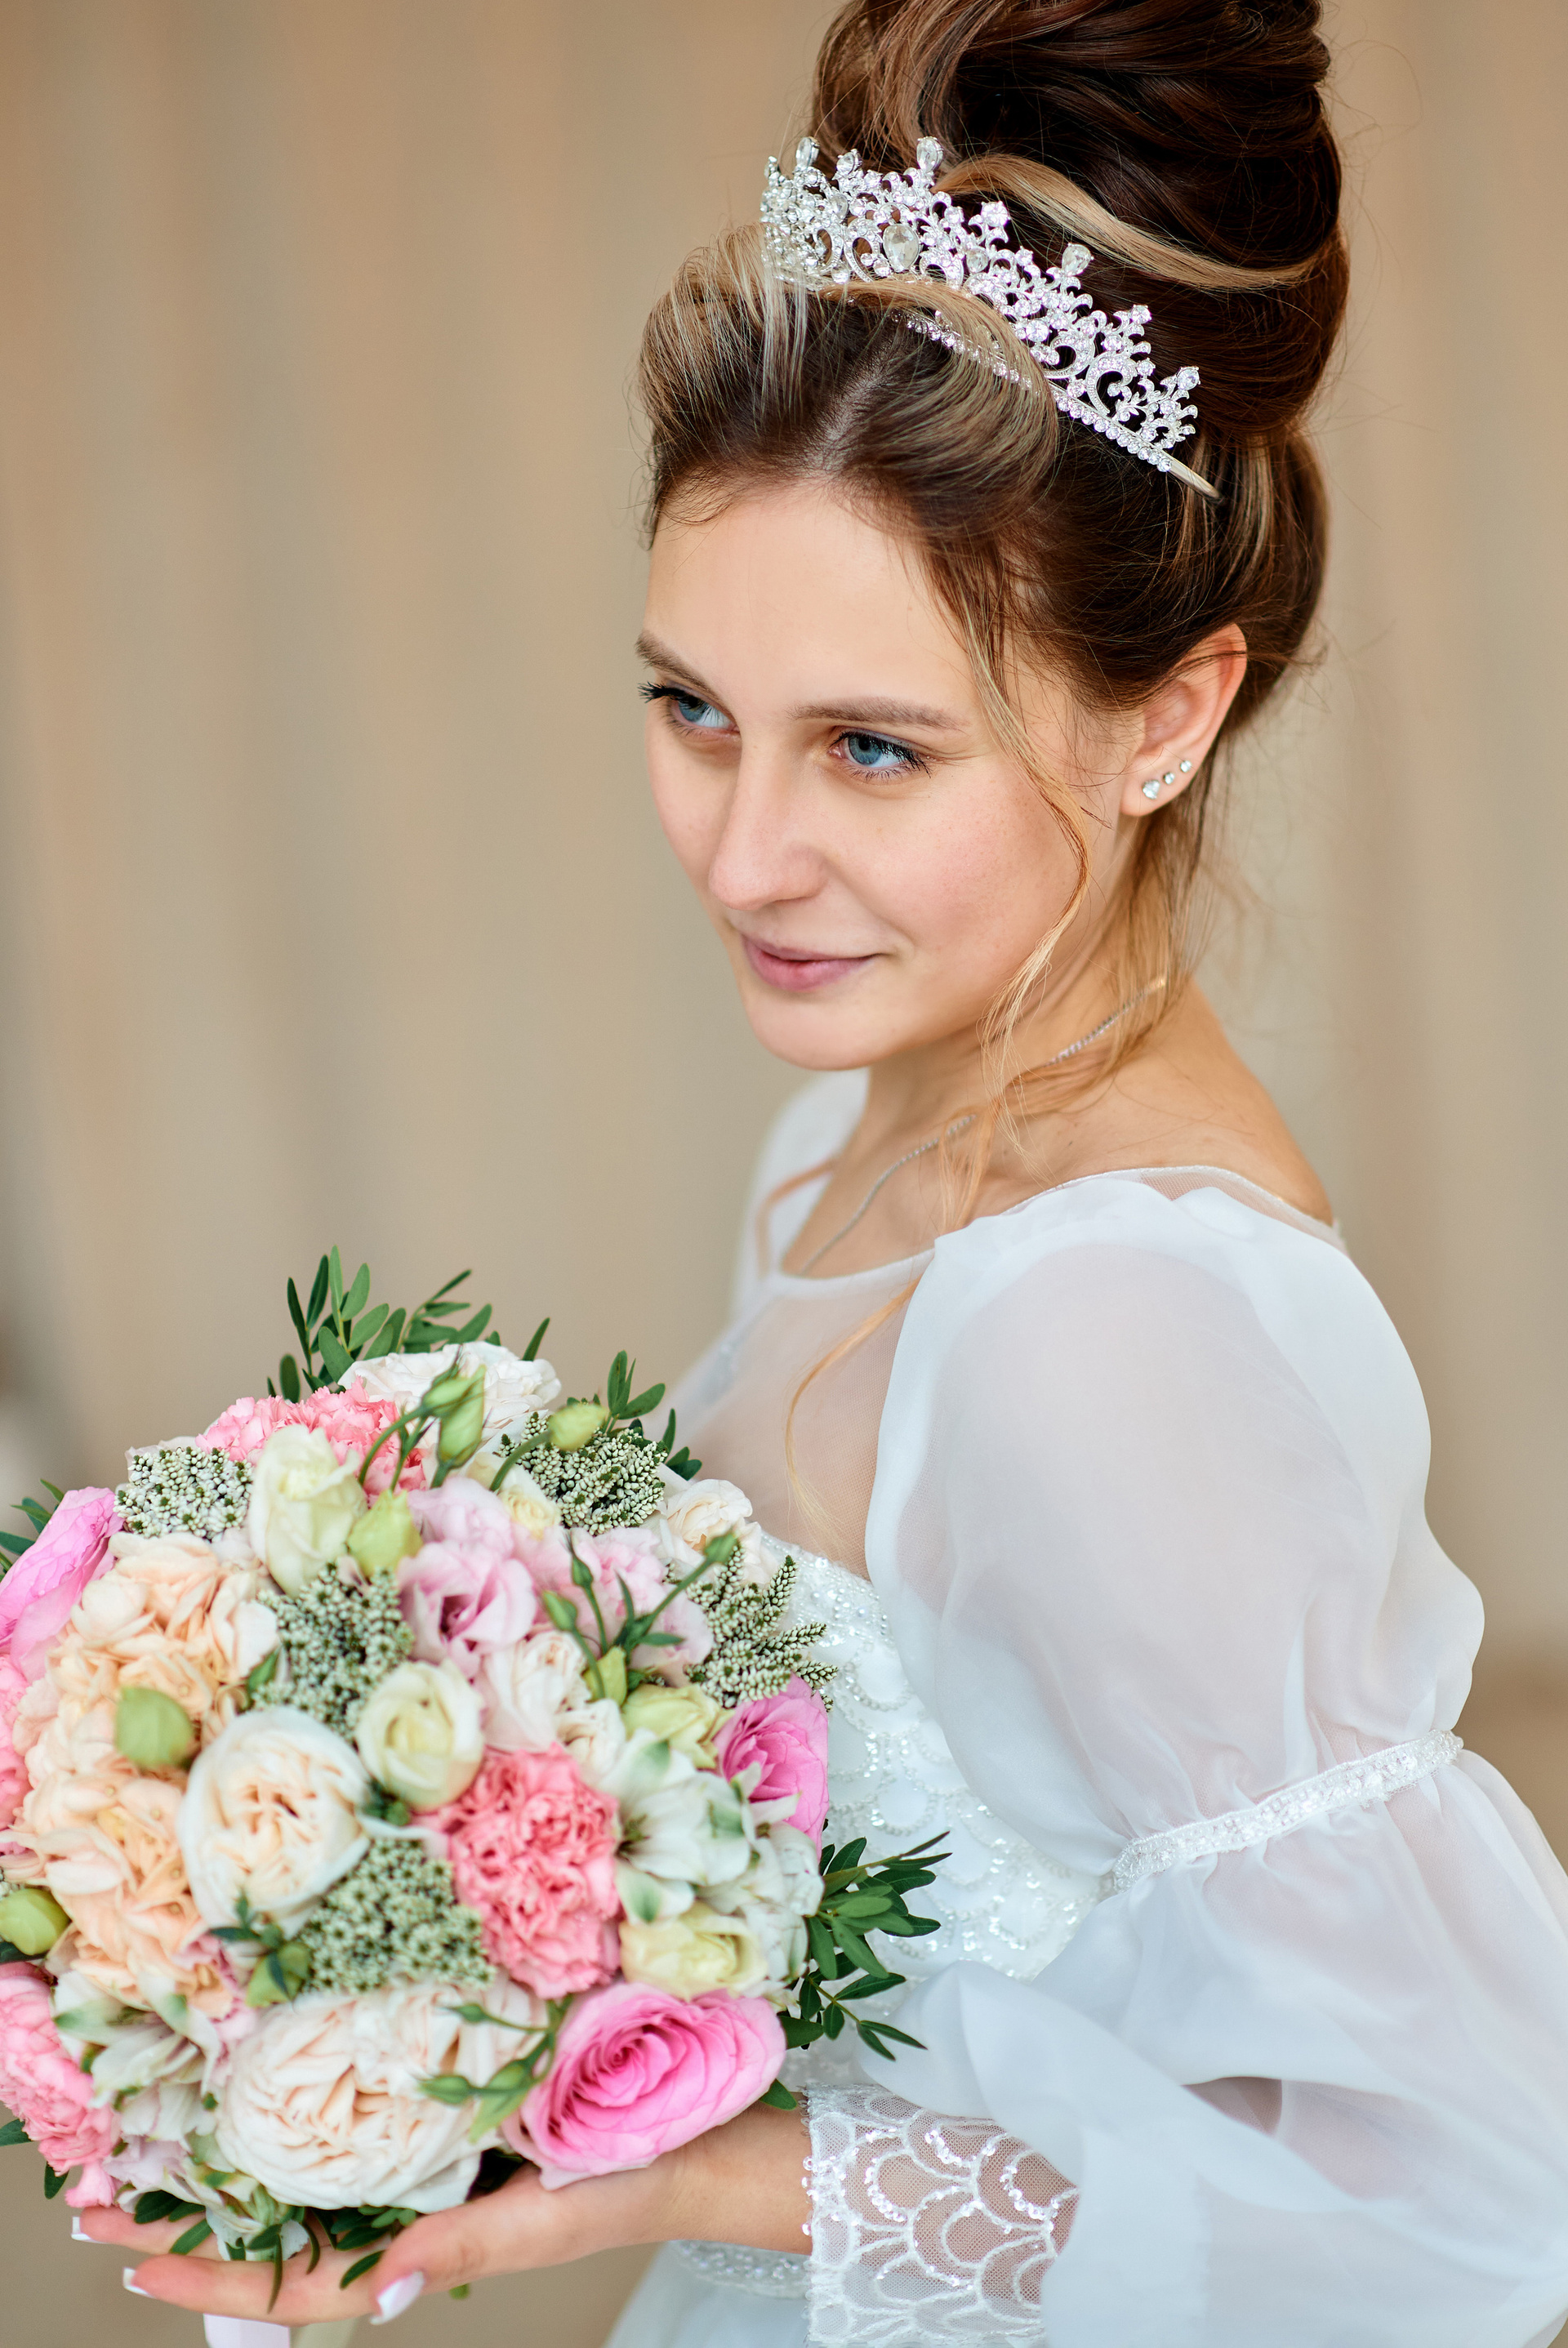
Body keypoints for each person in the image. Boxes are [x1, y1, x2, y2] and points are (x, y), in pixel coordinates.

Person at [92, 1, 1568, 2340]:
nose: (744, 853)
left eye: (873, 749)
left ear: (1169, 712)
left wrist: (677, 2174)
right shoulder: (839, 1143)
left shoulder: (1109, 1331)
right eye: (692, 709)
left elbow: (1460, 2206)